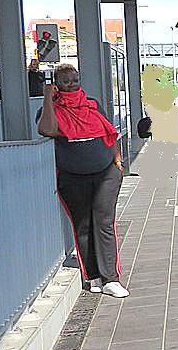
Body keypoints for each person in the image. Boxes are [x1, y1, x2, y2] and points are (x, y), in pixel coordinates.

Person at [36, 63, 128, 297]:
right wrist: (48, 98)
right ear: (56, 84)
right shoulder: (50, 110)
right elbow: (47, 130)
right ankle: (93, 276)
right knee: (83, 226)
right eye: (65, 81)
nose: (72, 85)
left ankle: (111, 279)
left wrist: (117, 160)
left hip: (106, 173)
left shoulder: (92, 104)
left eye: (75, 80)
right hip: (72, 178)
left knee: (104, 224)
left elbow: (108, 132)